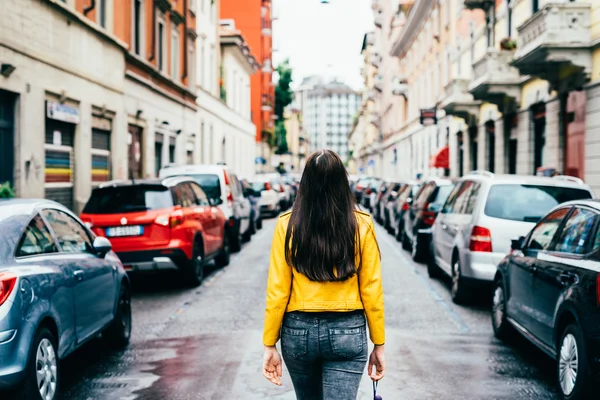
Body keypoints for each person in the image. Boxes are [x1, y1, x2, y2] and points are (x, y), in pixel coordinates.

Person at [262, 149, 386, 400]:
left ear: (305, 183)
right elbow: (371, 289)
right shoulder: (362, 224)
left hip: (298, 332)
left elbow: (278, 289)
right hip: (347, 331)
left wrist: (269, 343)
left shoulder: (287, 224)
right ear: (343, 182)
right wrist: (379, 343)